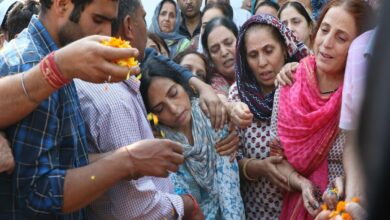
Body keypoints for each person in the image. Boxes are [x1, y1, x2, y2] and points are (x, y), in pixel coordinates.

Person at [0, 0, 185, 218]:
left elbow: (65, 160)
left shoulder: (63, 60)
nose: (107, 33)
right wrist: (127, 161)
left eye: (110, 21)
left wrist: (130, 156)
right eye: (98, 19)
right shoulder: (32, 64)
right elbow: (40, 195)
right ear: (61, 4)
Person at [268, 0, 374, 219]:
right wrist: (303, 184)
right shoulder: (289, 82)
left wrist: (341, 187)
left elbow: (365, 158)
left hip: (347, 209)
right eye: (324, 30)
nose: (326, 43)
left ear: (357, 48)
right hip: (296, 208)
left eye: (341, 38)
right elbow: (276, 158)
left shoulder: (361, 95)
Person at [140, 56, 244, 219]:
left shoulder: (213, 117)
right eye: (160, 108)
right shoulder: (160, 145)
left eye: (173, 94)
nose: (174, 109)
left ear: (184, 85)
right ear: (153, 115)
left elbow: (230, 193)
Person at [228, 14, 308, 219]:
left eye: (269, 51)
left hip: (302, 208)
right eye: (253, 55)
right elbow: (229, 162)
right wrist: (260, 168)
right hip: (256, 211)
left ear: (284, 47)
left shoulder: (303, 84)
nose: (262, 62)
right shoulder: (238, 95)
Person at [202, 17, 238, 97]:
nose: (224, 52)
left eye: (228, 43)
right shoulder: (215, 83)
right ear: (210, 58)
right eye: (215, 49)